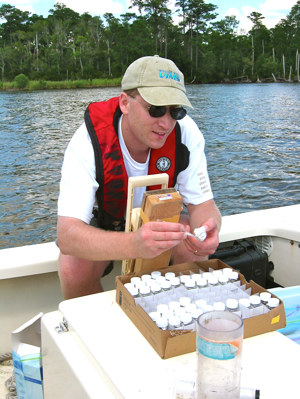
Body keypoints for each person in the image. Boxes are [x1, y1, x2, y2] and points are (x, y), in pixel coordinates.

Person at [57, 55, 222, 299]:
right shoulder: (87, 142)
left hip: (158, 222)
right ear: (125, 103)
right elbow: (67, 235)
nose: (166, 123)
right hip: (107, 224)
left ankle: (179, 322)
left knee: (192, 244)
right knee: (72, 266)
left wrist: (209, 229)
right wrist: (134, 243)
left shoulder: (186, 134)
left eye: (175, 111)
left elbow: (203, 206)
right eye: (155, 109)